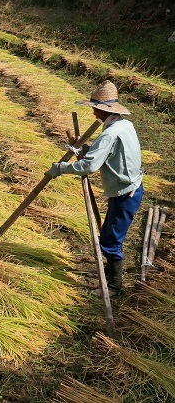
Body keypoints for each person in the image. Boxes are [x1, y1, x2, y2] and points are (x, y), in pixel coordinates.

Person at [46, 80, 143, 296]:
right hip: (129, 187)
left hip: (126, 193)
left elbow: (89, 166)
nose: (92, 112)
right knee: (109, 233)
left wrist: (61, 168)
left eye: (93, 108)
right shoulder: (125, 125)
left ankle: (114, 287)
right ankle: (107, 273)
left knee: (110, 240)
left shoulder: (109, 133)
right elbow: (107, 153)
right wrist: (88, 148)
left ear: (101, 109)